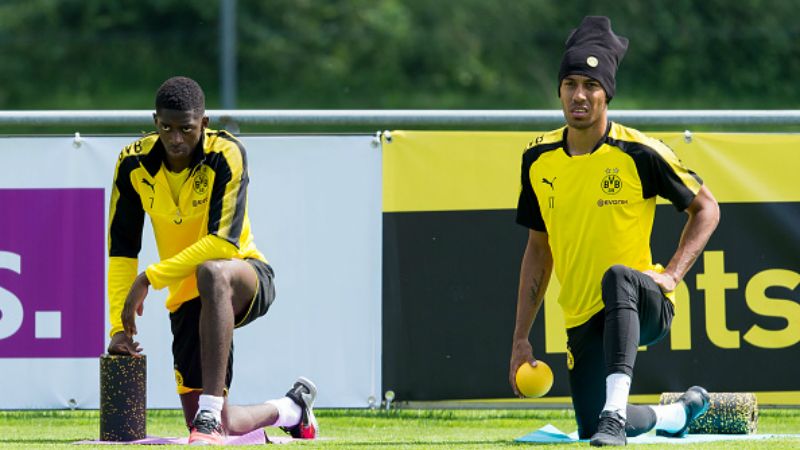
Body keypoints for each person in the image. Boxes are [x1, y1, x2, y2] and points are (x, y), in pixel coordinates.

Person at [509, 17, 720, 447]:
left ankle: (613, 415)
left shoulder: (640, 152)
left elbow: (707, 209)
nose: (579, 95)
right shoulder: (537, 159)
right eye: (570, 83)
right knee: (590, 427)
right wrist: (519, 339)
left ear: (607, 94)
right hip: (583, 318)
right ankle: (676, 413)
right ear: (560, 91)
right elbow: (538, 248)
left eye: (591, 85)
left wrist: (672, 276)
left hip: (644, 303)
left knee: (618, 276)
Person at [106, 76, 318, 445]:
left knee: (212, 272)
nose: (175, 139)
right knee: (222, 423)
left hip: (244, 276)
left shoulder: (227, 153)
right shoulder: (131, 163)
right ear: (155, 121)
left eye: (186, 129)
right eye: (166, 127)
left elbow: (222, 243)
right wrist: (117, 328)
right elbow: (122, 250)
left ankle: (208, 413)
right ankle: (290, 409)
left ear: (203, 124)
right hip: (185, 298)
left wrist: (151, 278)